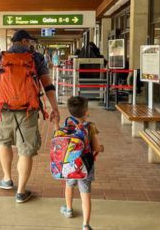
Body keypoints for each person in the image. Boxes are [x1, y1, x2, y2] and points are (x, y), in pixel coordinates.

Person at [0, 29, 60, 203]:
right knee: (25, 150)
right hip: (28, 110)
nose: (31, 44)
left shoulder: (0, 57)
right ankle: (21, 191)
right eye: (30, 41)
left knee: (4, 143)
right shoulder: (36, 58)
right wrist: (55, 108)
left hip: (4, 110)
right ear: (24, 41)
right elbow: (48, 85)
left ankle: (6, 179)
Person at [59, 96, 104, 230]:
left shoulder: (67, 126)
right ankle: (86, 224)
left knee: (69, 185)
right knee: (85, 194)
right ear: (87, 112)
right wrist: (101, 148)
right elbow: (96, 148)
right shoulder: (91, 126)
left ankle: (68, 209)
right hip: (86, 166)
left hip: (70, 165)